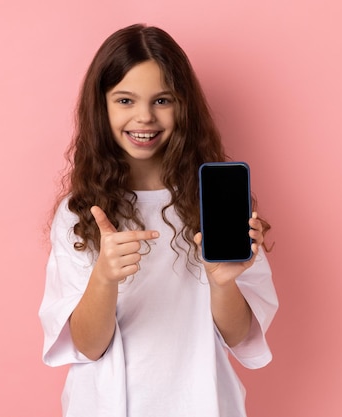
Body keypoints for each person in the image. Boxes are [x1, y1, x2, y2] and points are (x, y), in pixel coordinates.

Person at [39, 23, 278, 417]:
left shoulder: (219, 203)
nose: (144, 117)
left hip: (204, 404)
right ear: (101, 107)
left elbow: (239, 337)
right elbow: (87, 345)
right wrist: (104, 276)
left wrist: (223, 283)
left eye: (162, 100)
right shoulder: (81, 213)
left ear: (184, 105)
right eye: (125, 101)